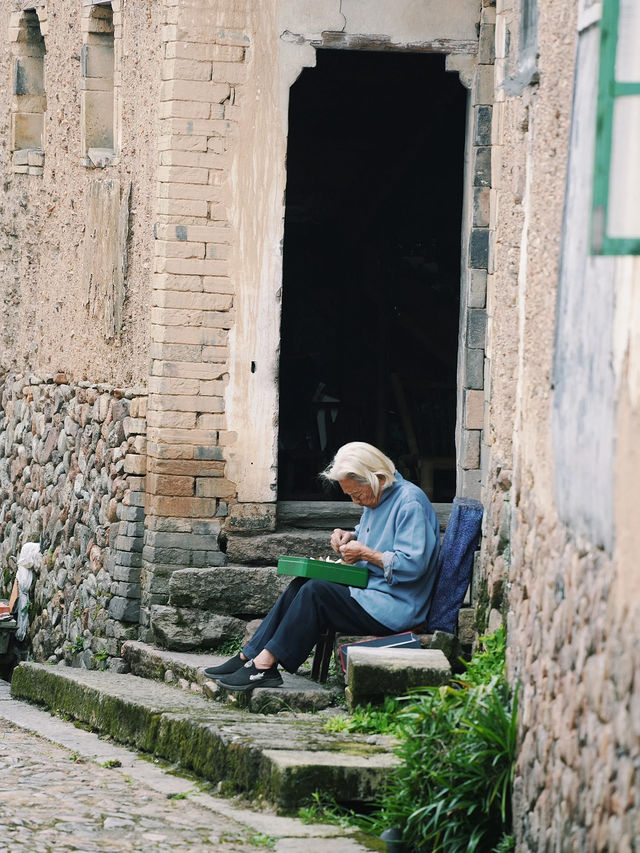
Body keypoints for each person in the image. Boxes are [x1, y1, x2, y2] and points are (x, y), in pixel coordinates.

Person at [207, 441, 441, 691]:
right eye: (350, 495)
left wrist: (366, 553)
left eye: (357, 495)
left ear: (380, 478)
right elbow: (373, 534)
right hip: (373, 591)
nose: (355, 502)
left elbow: (413, 565)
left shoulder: (409, 502)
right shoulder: (377, 497)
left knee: (316, 592)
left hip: (396, 606)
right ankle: (248, 656)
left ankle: (265, 666)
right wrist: (351, 536)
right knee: (302, 583)